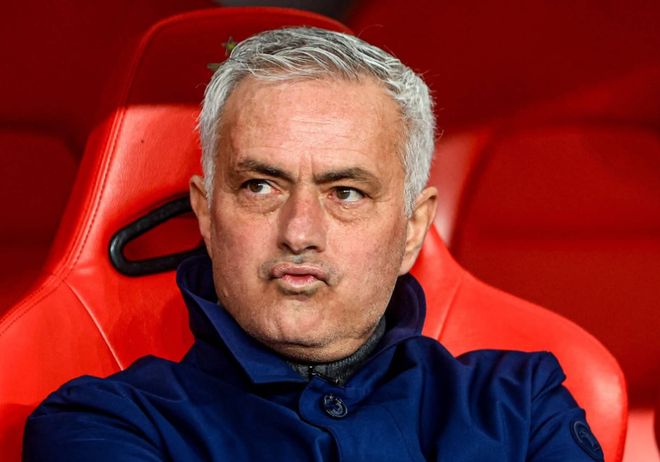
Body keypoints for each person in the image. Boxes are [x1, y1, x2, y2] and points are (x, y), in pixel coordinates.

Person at [23, 27, 604, 461]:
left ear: (412, 229)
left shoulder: (522, 405)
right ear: (206, 214)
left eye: (345, 193)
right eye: (260, 185)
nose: (299, 232)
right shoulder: (100, 425)